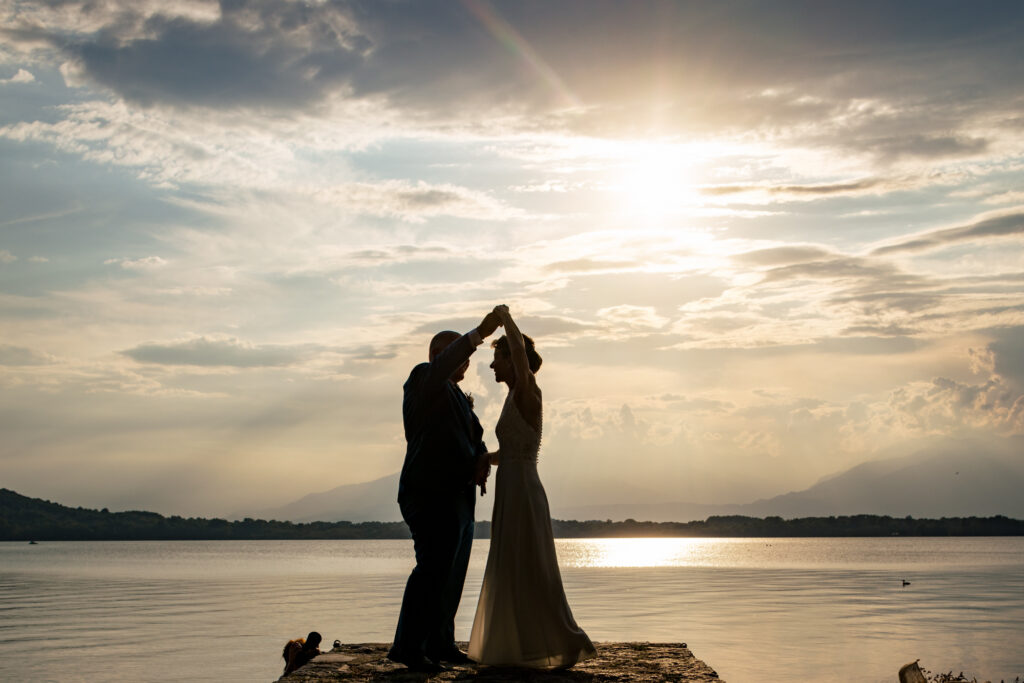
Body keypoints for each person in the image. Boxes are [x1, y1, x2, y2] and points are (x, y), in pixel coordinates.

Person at [468, 305, 596, 667]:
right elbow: (509, 451)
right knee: (511, 565)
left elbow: (522, 358)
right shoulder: (511, 397)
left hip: (524, 490)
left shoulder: (527, 389)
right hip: (510, 486)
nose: (492, 367)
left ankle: (562, 640)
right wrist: (484, 460)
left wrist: (503, 317)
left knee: (531, 565)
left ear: (511, 360)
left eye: (497, 359)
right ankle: (520, 645)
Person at [387, 309, 502, 673]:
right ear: (439, 355)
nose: (466, 363)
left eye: (467, 358)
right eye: (460, 355)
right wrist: (478, 334)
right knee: (432, 568)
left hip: (460, 497)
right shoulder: (423, 379)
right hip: (429, 492)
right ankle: (407, 647)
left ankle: (440, 642)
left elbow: (476, 438)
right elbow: (445, 362)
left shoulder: (458, 397)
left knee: (452, 573)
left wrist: (482, 459)